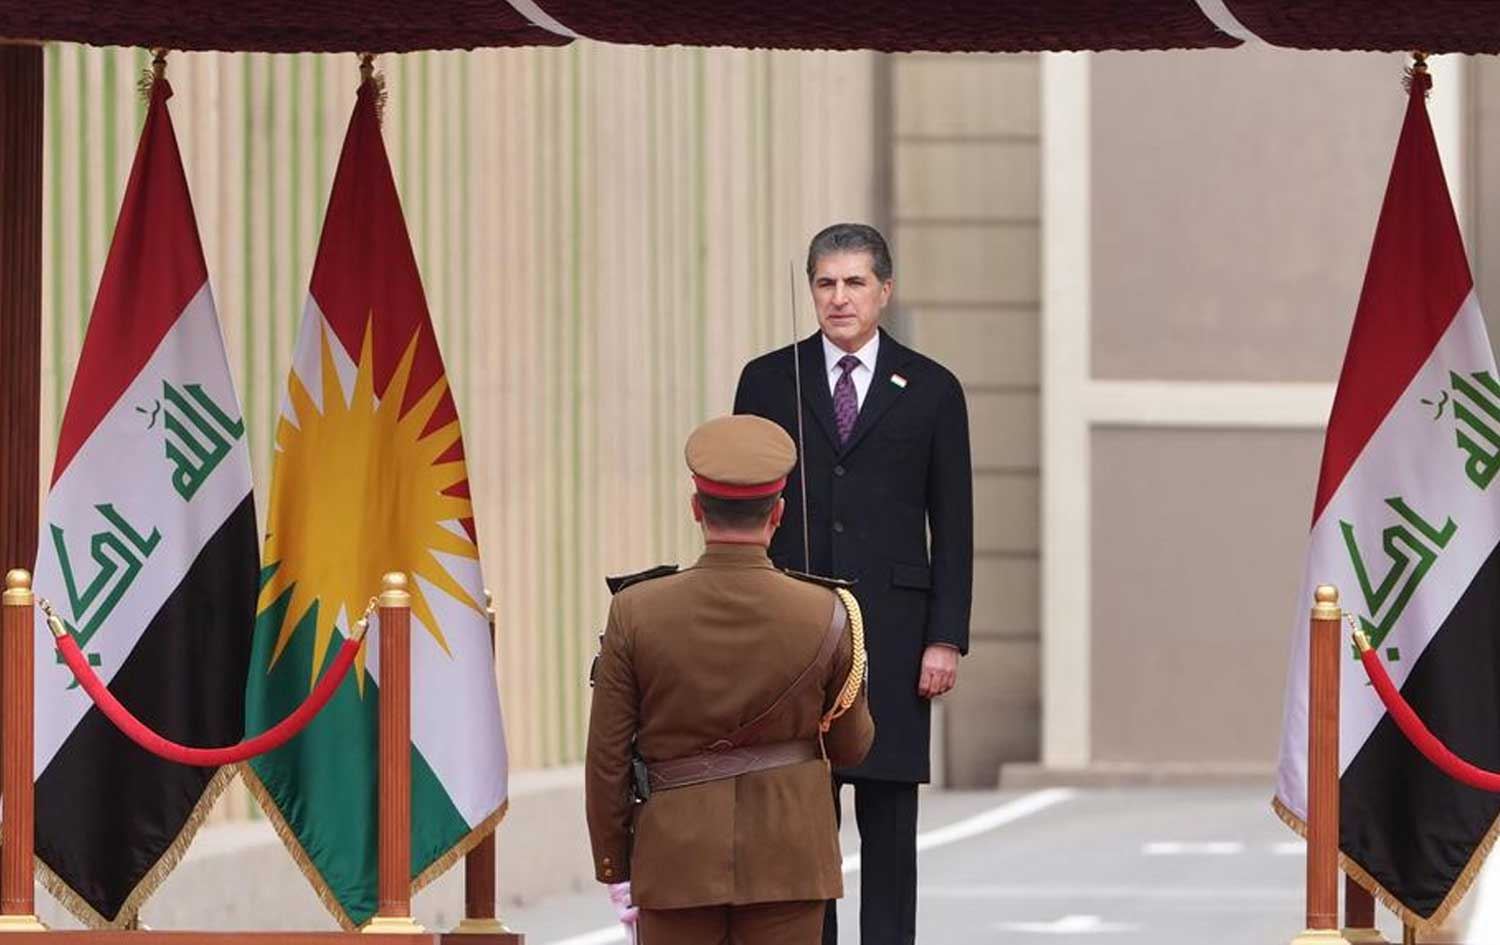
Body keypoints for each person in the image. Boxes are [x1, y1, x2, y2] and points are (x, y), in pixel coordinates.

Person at [733, 222, 974, 945]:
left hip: (894, 638)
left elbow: (953, 523)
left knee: (890, 822)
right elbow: (742, 509)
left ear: (884, 290)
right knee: (803, 824)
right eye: (826, 283)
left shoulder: (932, 389)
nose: (839, 298)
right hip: (792, 637)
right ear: (811, 290)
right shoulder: (768, 380)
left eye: (855, 283)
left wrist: (945, 637)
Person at [584, 414, 876, 945]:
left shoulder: (635, 609)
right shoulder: (830, 611)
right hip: (789, 859)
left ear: (696, 508)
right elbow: (850, 746)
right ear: (778, 513)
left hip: (674, 859)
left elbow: (607, 756)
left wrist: (616, 861)